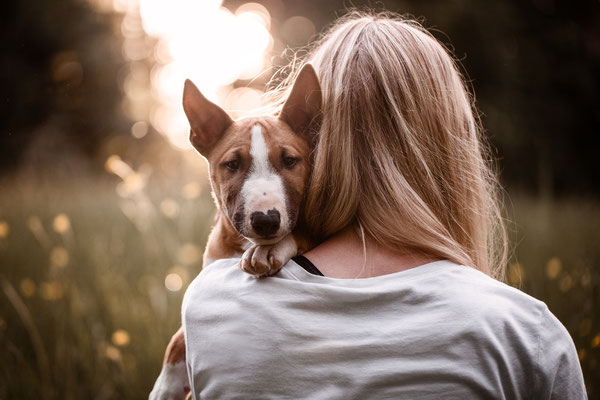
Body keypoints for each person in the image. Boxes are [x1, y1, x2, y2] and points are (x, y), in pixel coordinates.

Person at [182, 11, 587, 399]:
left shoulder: (213, 306)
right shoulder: (527, 337)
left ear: (319, 145)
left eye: (289, 160)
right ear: (457, 148)